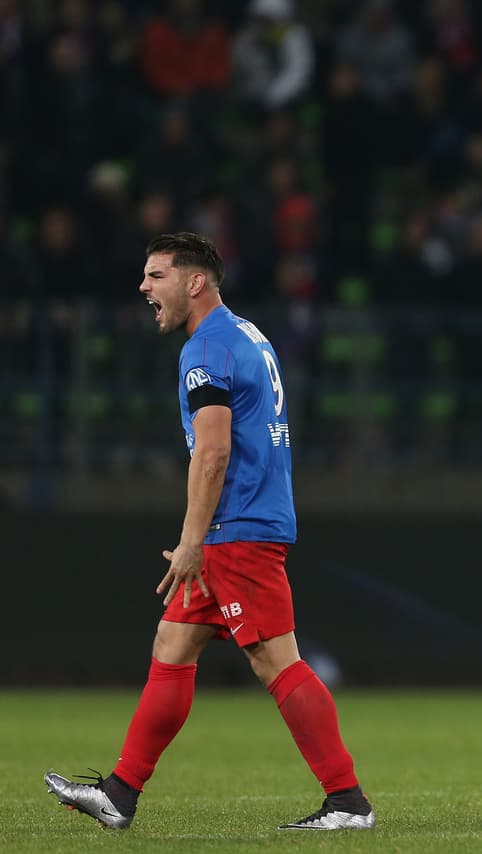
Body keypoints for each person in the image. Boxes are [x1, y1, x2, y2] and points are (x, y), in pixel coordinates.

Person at [44, 233, 374, 832]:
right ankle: (120, 794)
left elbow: (214, 451)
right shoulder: (246, 334)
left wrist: (194, 537)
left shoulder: (206, 349)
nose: (144, 287)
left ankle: (348, 802)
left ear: (194, 282)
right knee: (173, 647)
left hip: (235, 526)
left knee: (277, 662)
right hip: (245, 518)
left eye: (155, 275)